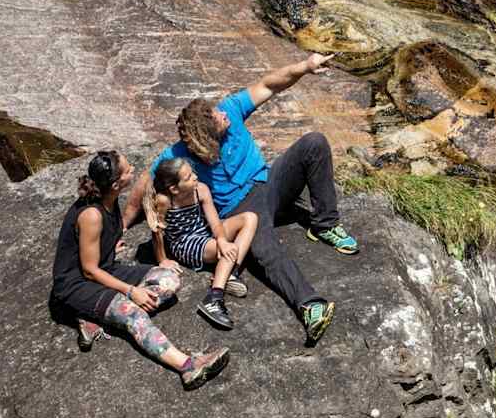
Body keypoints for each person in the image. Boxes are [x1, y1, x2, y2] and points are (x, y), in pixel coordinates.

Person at [124, 53, 358, 346]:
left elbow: (270, 85)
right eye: (216, 118)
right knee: (269, 248)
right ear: (207, 139)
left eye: (217, 112)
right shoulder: (179, 155)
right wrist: (121, 225)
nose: (222, 114)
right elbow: (146, 182)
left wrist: (305, 66)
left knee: (314, 142)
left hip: (269, 183)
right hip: (240, 207)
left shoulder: (231, 110)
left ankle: (324, 224)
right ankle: (310, 305)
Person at [50, 151, 229, 391]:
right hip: (77, 284)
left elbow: (96, 248)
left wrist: (109, 242)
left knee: (168, 279)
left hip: (105, 269)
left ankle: (103, 312)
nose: (133, 169)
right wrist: (131, 292)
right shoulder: (91, 214)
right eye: (127, 170)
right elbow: (89, 270)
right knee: (133, 314)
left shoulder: (109, 200)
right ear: (116, 184)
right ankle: (187, 366)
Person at [144, 158, 258, 330]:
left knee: (250, 217)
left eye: (193, 173)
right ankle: (214, 297)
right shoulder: (164, 200)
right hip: (185, 244)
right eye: (189, 177)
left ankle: (230, 273)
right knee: (231, 249)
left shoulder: (201, 190)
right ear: (174, 188)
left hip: (205, 233)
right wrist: (162, 259)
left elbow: (215, 222)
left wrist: (221, 240)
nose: (195, 177)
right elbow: (157, 231)